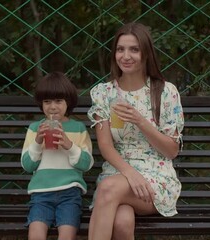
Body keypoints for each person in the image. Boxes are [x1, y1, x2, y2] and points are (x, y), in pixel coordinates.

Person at [87, 22, 184, 240]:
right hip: (117, 173)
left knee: (108, 188)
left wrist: (140, 121)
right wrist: (130, 174)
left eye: (134, 49)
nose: (126, 56)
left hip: (155, 178)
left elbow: (171, 151)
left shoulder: (165, 92)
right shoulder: (104, 93)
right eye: (120, 49)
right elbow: (105, 145)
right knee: (122, 222)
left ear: (146, 54)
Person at [21, 71, 94, 240]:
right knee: (35, 235)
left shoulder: (78, 128)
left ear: (68, 102)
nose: (53, 107)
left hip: (70, 194)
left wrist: (69, 146)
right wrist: (38, 141)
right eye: (47, 101)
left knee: (67, 236)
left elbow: (86, 164)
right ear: (41, 104)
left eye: (58, 101)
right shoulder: (34, 129)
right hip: (41, 194)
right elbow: (27, 166)